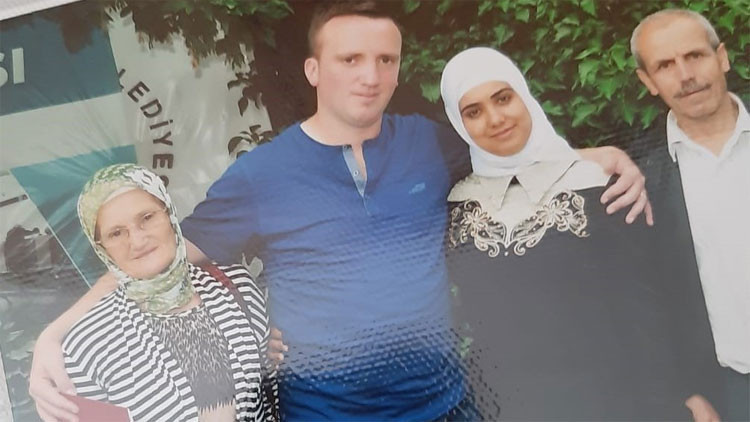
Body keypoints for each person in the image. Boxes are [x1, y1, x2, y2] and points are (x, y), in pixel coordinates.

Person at [29, 2, 651, 421]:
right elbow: (154, 257)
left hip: (443, 406)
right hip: (324, 412)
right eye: (349, 60)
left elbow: (507, 157)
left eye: (385, 60)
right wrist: (53, 335)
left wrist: (597, 156)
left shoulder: (428, 144)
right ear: (313, 69)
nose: (370, 76)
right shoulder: (261, 175)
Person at [440, 47, 727, 420]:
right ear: (458, 122)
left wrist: (681, 392)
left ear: (524, 96)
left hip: (611, 400)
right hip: (508, 406)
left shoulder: (600, 184)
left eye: (503, 98)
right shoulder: (455, 201)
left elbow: (645, 302)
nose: (495, 119)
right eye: (473, 112)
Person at [54, 164, 277, 422]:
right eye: (116, 233)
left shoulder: (237, 287)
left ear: (169, 214)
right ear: (101, 248)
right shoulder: (86, 346)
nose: (137, 240)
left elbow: (272, 397)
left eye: (147, 218)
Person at [630, 8, 750, 419]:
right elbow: (644, 298)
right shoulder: (640, 177)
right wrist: (681, 390)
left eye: (695, 56)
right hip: (733, 390)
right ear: (648, 81)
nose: (685, 75)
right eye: (665, 65)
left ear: (722, 57)